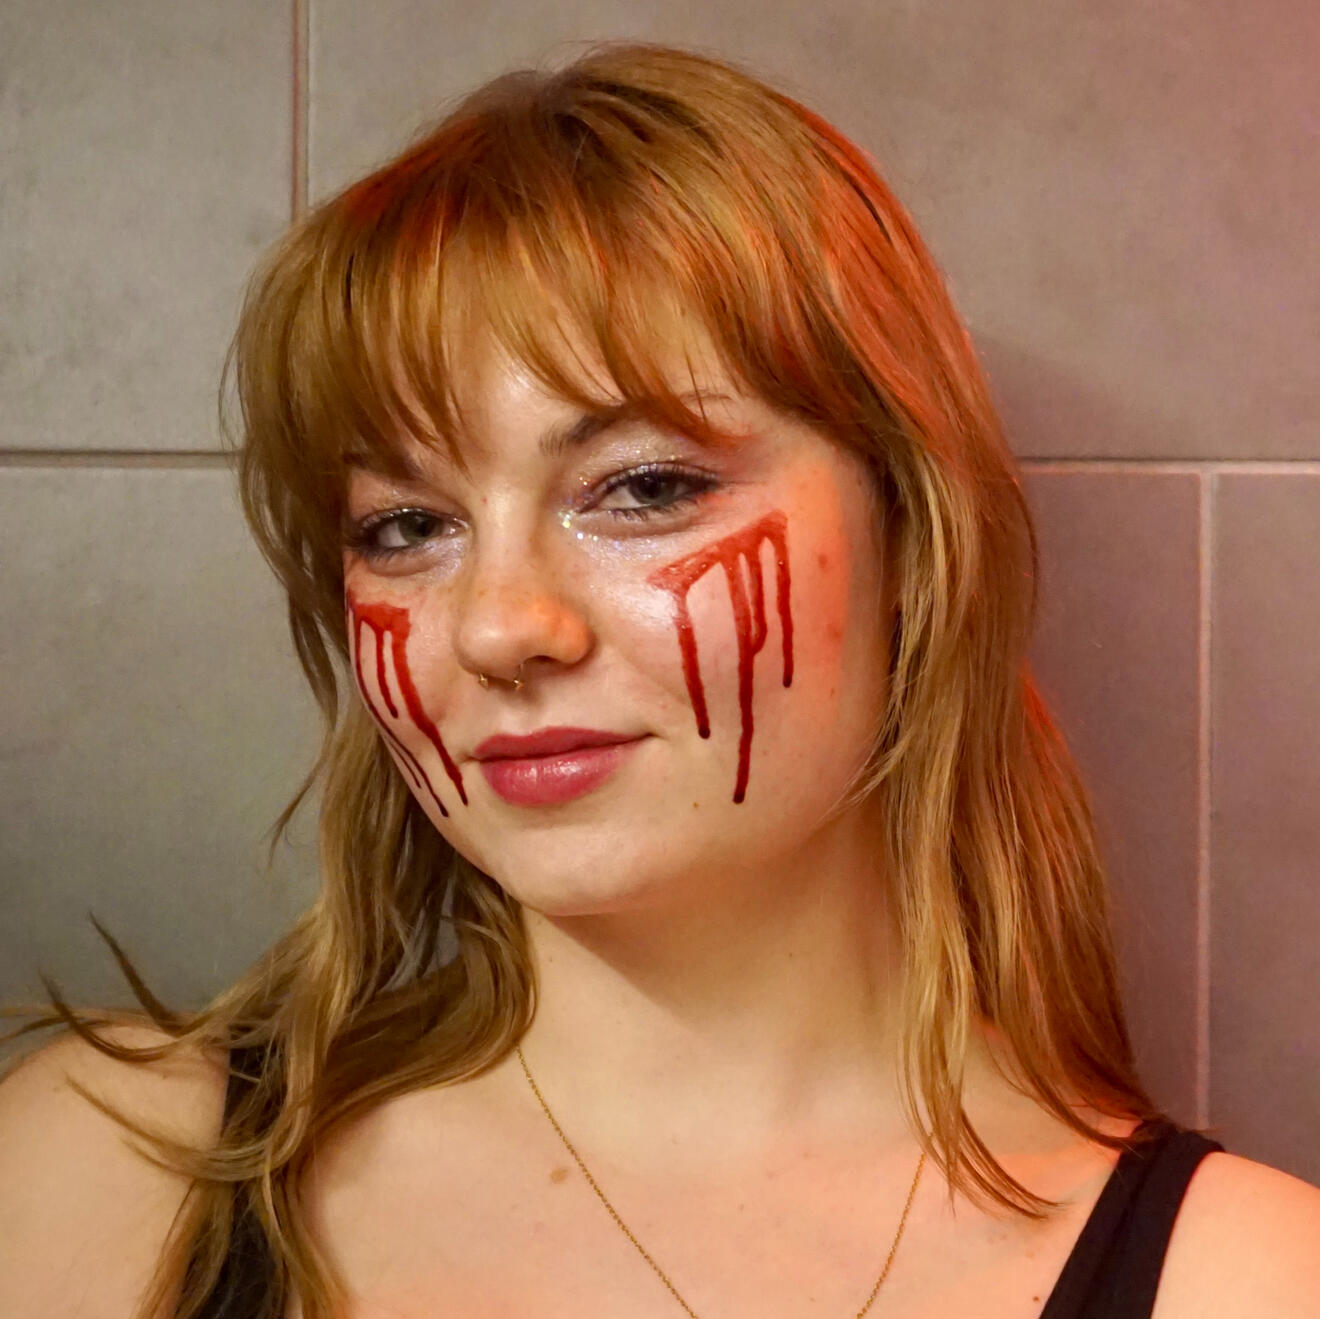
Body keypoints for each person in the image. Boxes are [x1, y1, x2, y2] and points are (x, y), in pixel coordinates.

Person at [2, 39, 1318, 1319]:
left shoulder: (1246, 1281)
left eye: (643, 488)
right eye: (406, 526)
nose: (497, 629)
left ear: (911, 536)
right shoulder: (109, 1182)